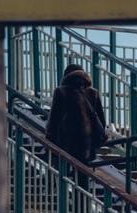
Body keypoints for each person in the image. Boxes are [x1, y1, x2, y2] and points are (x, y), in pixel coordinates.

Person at [46, 64, 107, 193]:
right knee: (83, 177)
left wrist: (50, 138)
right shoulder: (93, 93)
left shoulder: (61, 92)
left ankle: (63, 201)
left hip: (66, 142)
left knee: (62, 172)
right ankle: (82, 207)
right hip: (87, 144)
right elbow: (101, 120)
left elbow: (54, 119)